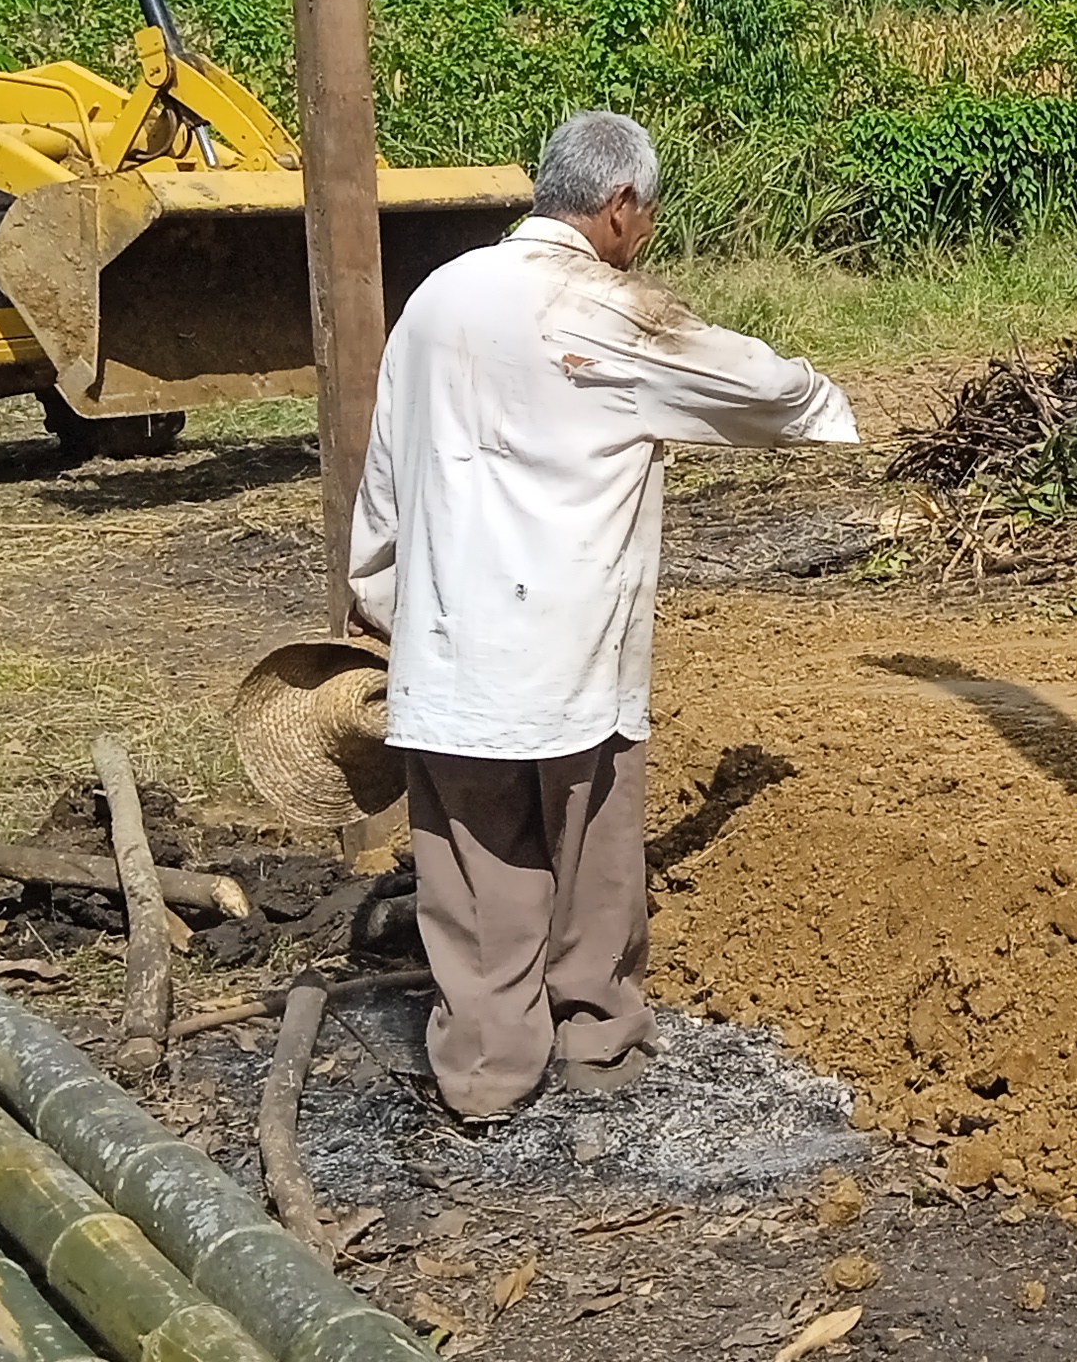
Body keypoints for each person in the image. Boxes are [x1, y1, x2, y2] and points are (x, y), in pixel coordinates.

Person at [346, 109, 856, 1118]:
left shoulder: (438, 297)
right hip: (572, 647)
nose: (646, 234)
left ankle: (486, 1078)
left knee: (476, 876)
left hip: (449, 647)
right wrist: (823, 402)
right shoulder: (606, 311)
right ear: (619, 205)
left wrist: (386, 608)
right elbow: (765, 390)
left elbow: (385, 485)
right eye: (648, 215)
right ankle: (595, 1045)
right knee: (592, 863)